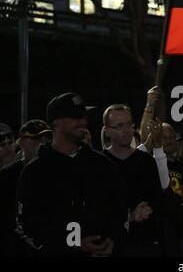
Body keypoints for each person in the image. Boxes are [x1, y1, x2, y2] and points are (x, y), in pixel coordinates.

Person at [16, 93, 127, 256]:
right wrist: (73, 243)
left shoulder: (102, 164)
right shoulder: (36, 171)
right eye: (75, 117)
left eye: (84, 116)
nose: (83, 122)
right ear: (56, 122)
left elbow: (121, 208)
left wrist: (114, 239)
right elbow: (26, 227)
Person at [101, 104, 169, 256]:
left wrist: (150, 208)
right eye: (119, 126)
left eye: (129, 124)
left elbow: (159, 200)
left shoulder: (146, 161)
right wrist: (129, 217)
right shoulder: (98, 164)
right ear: (107, 132)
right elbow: (98, 207)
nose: (126, 130)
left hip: (145, 244)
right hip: (111, 245)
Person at [0, 120, 51, 256]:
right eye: (35, 138)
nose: (41, 143)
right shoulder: (6, 175)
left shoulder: (54, 173)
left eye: (45, 138)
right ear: (21, 142)